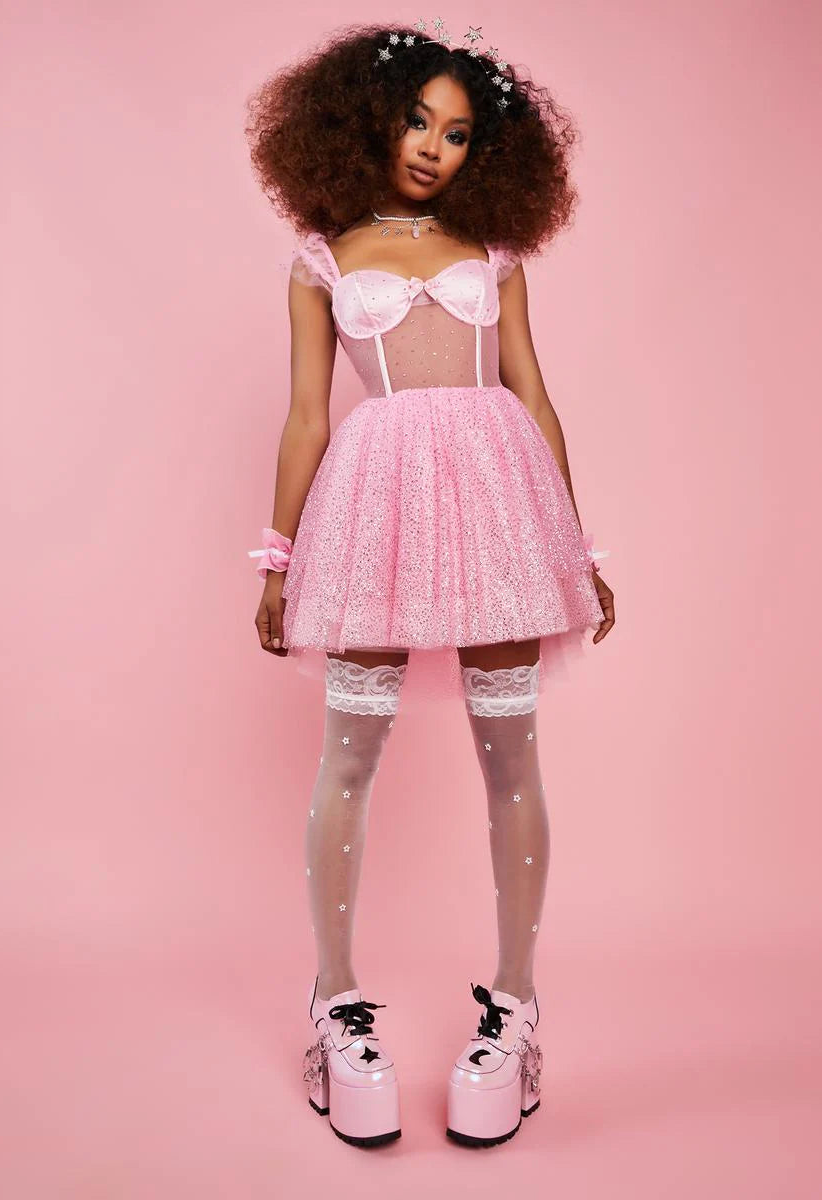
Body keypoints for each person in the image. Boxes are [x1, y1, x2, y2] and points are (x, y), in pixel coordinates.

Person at [244, 19, 615, 1148]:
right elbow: (308, 417)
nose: (432, 148)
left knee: (513, 760)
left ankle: (517, 1008)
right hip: (375, 507)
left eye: (457, 134)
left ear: (482, 152)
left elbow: (532, 393)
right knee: (348, 758)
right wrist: (277, 555)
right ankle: (333, 1002)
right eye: (417, 120)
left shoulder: (493, 254)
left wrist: (577, 543)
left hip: (499, 504)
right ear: (367, 118)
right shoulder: (320, 261)